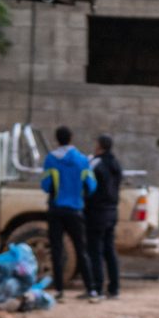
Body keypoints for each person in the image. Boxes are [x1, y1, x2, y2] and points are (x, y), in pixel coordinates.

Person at [40, 127, 96, 298]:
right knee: (81, 249)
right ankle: (91, 289)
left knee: (57, 249)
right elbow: (91, 186)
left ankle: (59, 291)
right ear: (71, 137)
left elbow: (46, 185)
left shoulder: (51, 159)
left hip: (56, 210)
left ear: (56, 139)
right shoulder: (82, 160)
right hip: (75, 210)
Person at [84, 133, 124, 302]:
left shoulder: (96, 163)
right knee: (109, 250)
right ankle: (114, 288)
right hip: (112, 211)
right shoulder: (116, 164)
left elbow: (87, 183)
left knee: (95, 251)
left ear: (99, 146)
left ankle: (97, 288)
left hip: (96, 212)